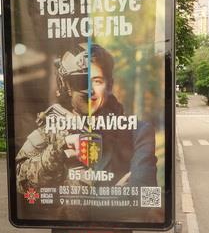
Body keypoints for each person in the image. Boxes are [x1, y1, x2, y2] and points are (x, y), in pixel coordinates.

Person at [15, 43, 157, 194]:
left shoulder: (137, 133)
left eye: (97, 81)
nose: (89, 90)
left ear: (109, 85)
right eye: (81, 81)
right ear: (66, 86)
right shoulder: (50, 131)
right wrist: (59, 150)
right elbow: (21, 184)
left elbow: (145, 195)